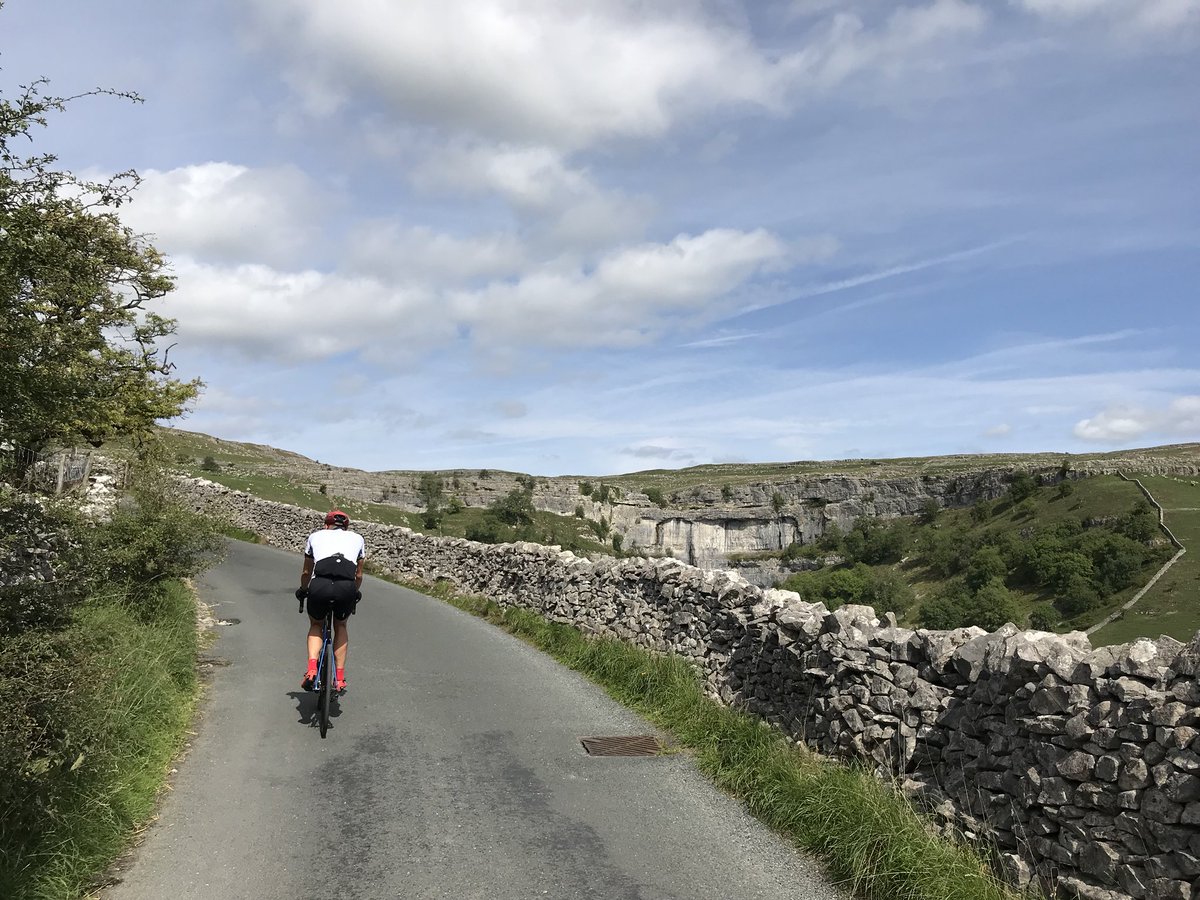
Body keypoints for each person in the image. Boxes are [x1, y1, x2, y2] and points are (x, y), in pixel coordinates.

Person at [294, 510, 365, 691]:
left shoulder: (315, 536)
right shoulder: (358, 539)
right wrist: (354, 592)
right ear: (346, 527)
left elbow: (306, 573)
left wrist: (303, 590)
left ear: (327, 525)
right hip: (345, 587)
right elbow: (358, 575)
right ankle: (339, 679)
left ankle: (311, 669)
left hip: (320, 585)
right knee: (340, 625)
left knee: (316, 624)